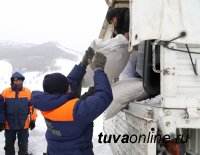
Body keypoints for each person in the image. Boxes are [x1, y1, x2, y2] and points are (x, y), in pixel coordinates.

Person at [31, 51, 113, 155]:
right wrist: (99, 70)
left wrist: (82, 65)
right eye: (68, 86)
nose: (70, 86)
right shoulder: (76, 112)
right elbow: (104, 97)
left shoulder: (47, 104)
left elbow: (67, 83)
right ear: (64, 90)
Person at [1, 72, 38, 155]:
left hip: (24, 123)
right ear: (12, 81)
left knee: (23, 144)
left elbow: (32, 107)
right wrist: (1, 121)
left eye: (19, 81)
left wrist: (33, 120)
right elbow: (1, 108)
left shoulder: (27, 91)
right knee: (9, 145)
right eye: (15, 81)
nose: (17, 82)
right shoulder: (5, 92)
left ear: (22, 81)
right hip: (9, 124)